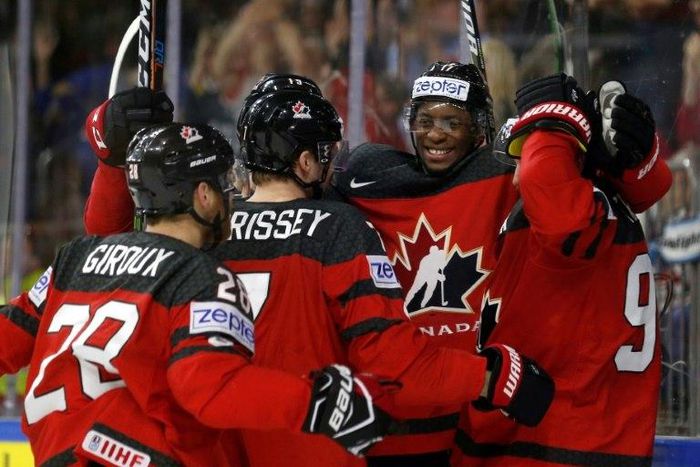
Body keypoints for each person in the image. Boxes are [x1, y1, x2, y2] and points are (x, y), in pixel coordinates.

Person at [81, 81, 555, 467]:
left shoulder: (207, 228)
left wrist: (114, 161)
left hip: (214, 447)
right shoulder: (339, 229)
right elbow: (393, 360)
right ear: (306, 161)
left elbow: (113, 248)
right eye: (325, 152)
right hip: (310, 445)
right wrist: (494, 378)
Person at [0, 121, 395, 465]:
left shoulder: (74, 260)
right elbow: (211, 389)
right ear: (204, 195)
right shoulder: (199, 276)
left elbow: (8, 337)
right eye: (225, 187)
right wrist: (318, 403)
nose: (232, 199)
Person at [451, 73, 672, 466]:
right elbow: (653, 184)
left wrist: (550, 121)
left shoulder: (575, 219)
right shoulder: (606, 208)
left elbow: (554, 202)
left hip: (556, 442)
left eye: (525, 157)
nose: (516, 176)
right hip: (601, 438)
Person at [328, 61, 519, 463]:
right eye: (425, 120)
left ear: (478, 127)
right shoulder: (368, 180)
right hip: (391, 418)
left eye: (452, 122)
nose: (436, 134)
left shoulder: (504, 176)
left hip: (476, 412)